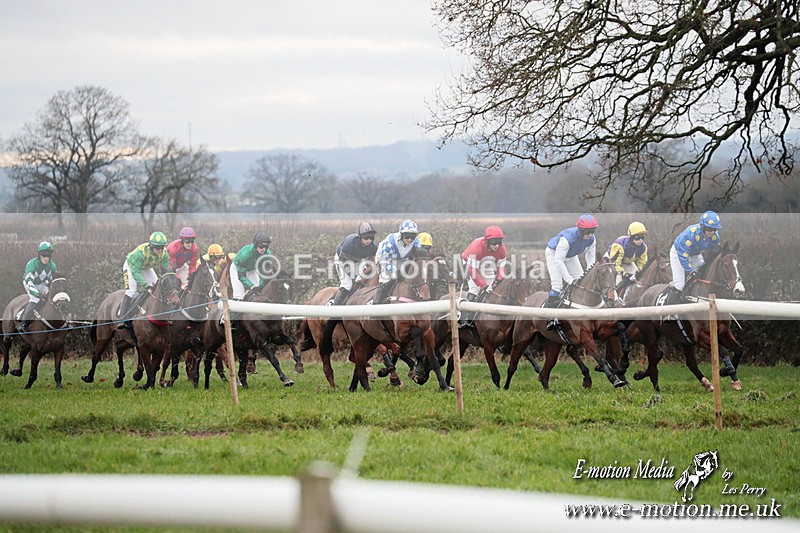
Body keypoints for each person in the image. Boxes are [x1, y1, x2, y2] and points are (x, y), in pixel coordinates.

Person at [544, 214, 598, 330]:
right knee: (557, 285)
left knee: (581, 284)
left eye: (592, 231)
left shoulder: (592, 239)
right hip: (554, 254)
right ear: (580, 230)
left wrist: (589, 273)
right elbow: (558, 261)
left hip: (571, 256)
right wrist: (569, 280)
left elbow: (591, 260)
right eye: (586, 231)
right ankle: (550, 318)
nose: (589, 235)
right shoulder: (567, 239)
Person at [667, 211, 722, 301]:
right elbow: (683, 255)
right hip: (678, 253)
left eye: (714, 229)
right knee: (680, 285)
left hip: (695, 254)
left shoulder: (715, 237)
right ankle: (669, 312)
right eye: (709, 229)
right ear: (702, 226)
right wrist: (690, 270)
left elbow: (714, 252)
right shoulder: (691, 234)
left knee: (703, 273)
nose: (711, 232)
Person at [459, 225, 508, 325]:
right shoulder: (476, 248)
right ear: (487, 241)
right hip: (471, 265)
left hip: (487, 264)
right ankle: (464, 316)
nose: (497, 246)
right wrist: (484, 286)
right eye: (494, 242)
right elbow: (473, 271)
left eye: (499, 242)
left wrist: (497, 281)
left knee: (495, 287)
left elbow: (501, 268)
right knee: (475, 288)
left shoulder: (502, 249)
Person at [119, 231, 170, 321]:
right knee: (131, 291)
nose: (160, 250)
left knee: (156, 287)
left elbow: (167, 270)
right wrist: (146, 286)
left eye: (162, 247)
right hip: (131, 266)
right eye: (157, 247)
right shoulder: (141, 253)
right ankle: (122, 317)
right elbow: (136, 272)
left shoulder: (164, 253)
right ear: (151, 245)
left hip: (146, 267)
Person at [373, 219, 420, 304]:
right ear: (401, 235)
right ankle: (376, 303)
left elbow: (418, 258)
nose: (409, 240)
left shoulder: (416, 243)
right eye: (407, 236)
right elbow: (385, 261)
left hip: (402, 259)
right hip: (385, 257)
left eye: (412, 237)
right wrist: (396, 271)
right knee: (386, 278)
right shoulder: (390, 242)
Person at [332, 221, 378, 306]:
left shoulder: (373, 246)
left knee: (361, 281)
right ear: (360, 237)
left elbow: (373, 260)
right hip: (342, 259)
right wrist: (353, 275)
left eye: (371, 238)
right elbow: (344, 262)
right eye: (366, 238)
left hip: (358, 260)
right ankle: (334, 312)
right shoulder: (350, 243)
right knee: (347, 285)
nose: (369, 240)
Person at [18, 241, 58, 333]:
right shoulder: (32, 264)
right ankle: (24, 322)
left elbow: (53, 282)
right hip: (30, 283)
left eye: (48, 256)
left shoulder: (52, 266)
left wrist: (48, 290)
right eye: (44, 256)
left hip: (42, 284)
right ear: (39, 255)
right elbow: (29, 282)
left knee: (52, 298)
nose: (46, 258)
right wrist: (38, 294)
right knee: (35, 299)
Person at [603, 221, 648, 289]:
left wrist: (639, 272)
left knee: (638, 278)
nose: (640, 240)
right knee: (619, 280)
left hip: (626, 262)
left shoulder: (643, 247)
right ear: (631, 236)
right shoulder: (620, 245)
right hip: (611, 261)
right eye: (637, 237)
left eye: (643, 237)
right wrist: (623, 273)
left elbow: (642, 262)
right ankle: (613, 296)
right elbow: (615, 263)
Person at [231, 231, 272, 300]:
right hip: (237, 269)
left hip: (251, 269)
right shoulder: (246, 254)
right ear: (255, 244)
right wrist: (251, 286)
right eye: (261, 246)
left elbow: (264, 273)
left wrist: (260, 285)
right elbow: (241, 276)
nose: (264, 249)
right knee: (239, 295)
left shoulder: (267, 254)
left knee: (259, 291)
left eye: (266, 246)